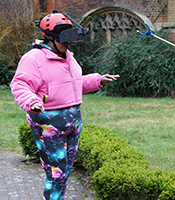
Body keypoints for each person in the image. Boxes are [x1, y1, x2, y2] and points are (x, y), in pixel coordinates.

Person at [10, 11, 119, 200]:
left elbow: (70, 85)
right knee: (56, 174)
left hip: (72, 123)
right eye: (63, 40)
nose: (67, 44)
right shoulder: (34, 58)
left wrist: (97, 79)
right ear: (49, 38)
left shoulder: (67, 56)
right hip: (49, 125)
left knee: (65, 171)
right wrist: (31, 102)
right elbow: (20, 84)